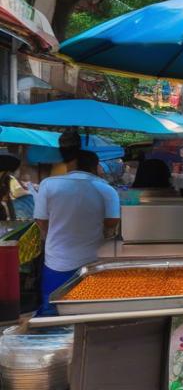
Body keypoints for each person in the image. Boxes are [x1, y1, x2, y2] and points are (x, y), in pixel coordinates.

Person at [34, 135, 121, 315]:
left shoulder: (48, 184)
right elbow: (112, 222)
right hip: (92, 261)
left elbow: (41, 220)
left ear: (71, 165)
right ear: (94, 167)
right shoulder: (107, 190)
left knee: (53, 308)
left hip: (56, 259)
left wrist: (54, 232)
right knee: (87, 309)